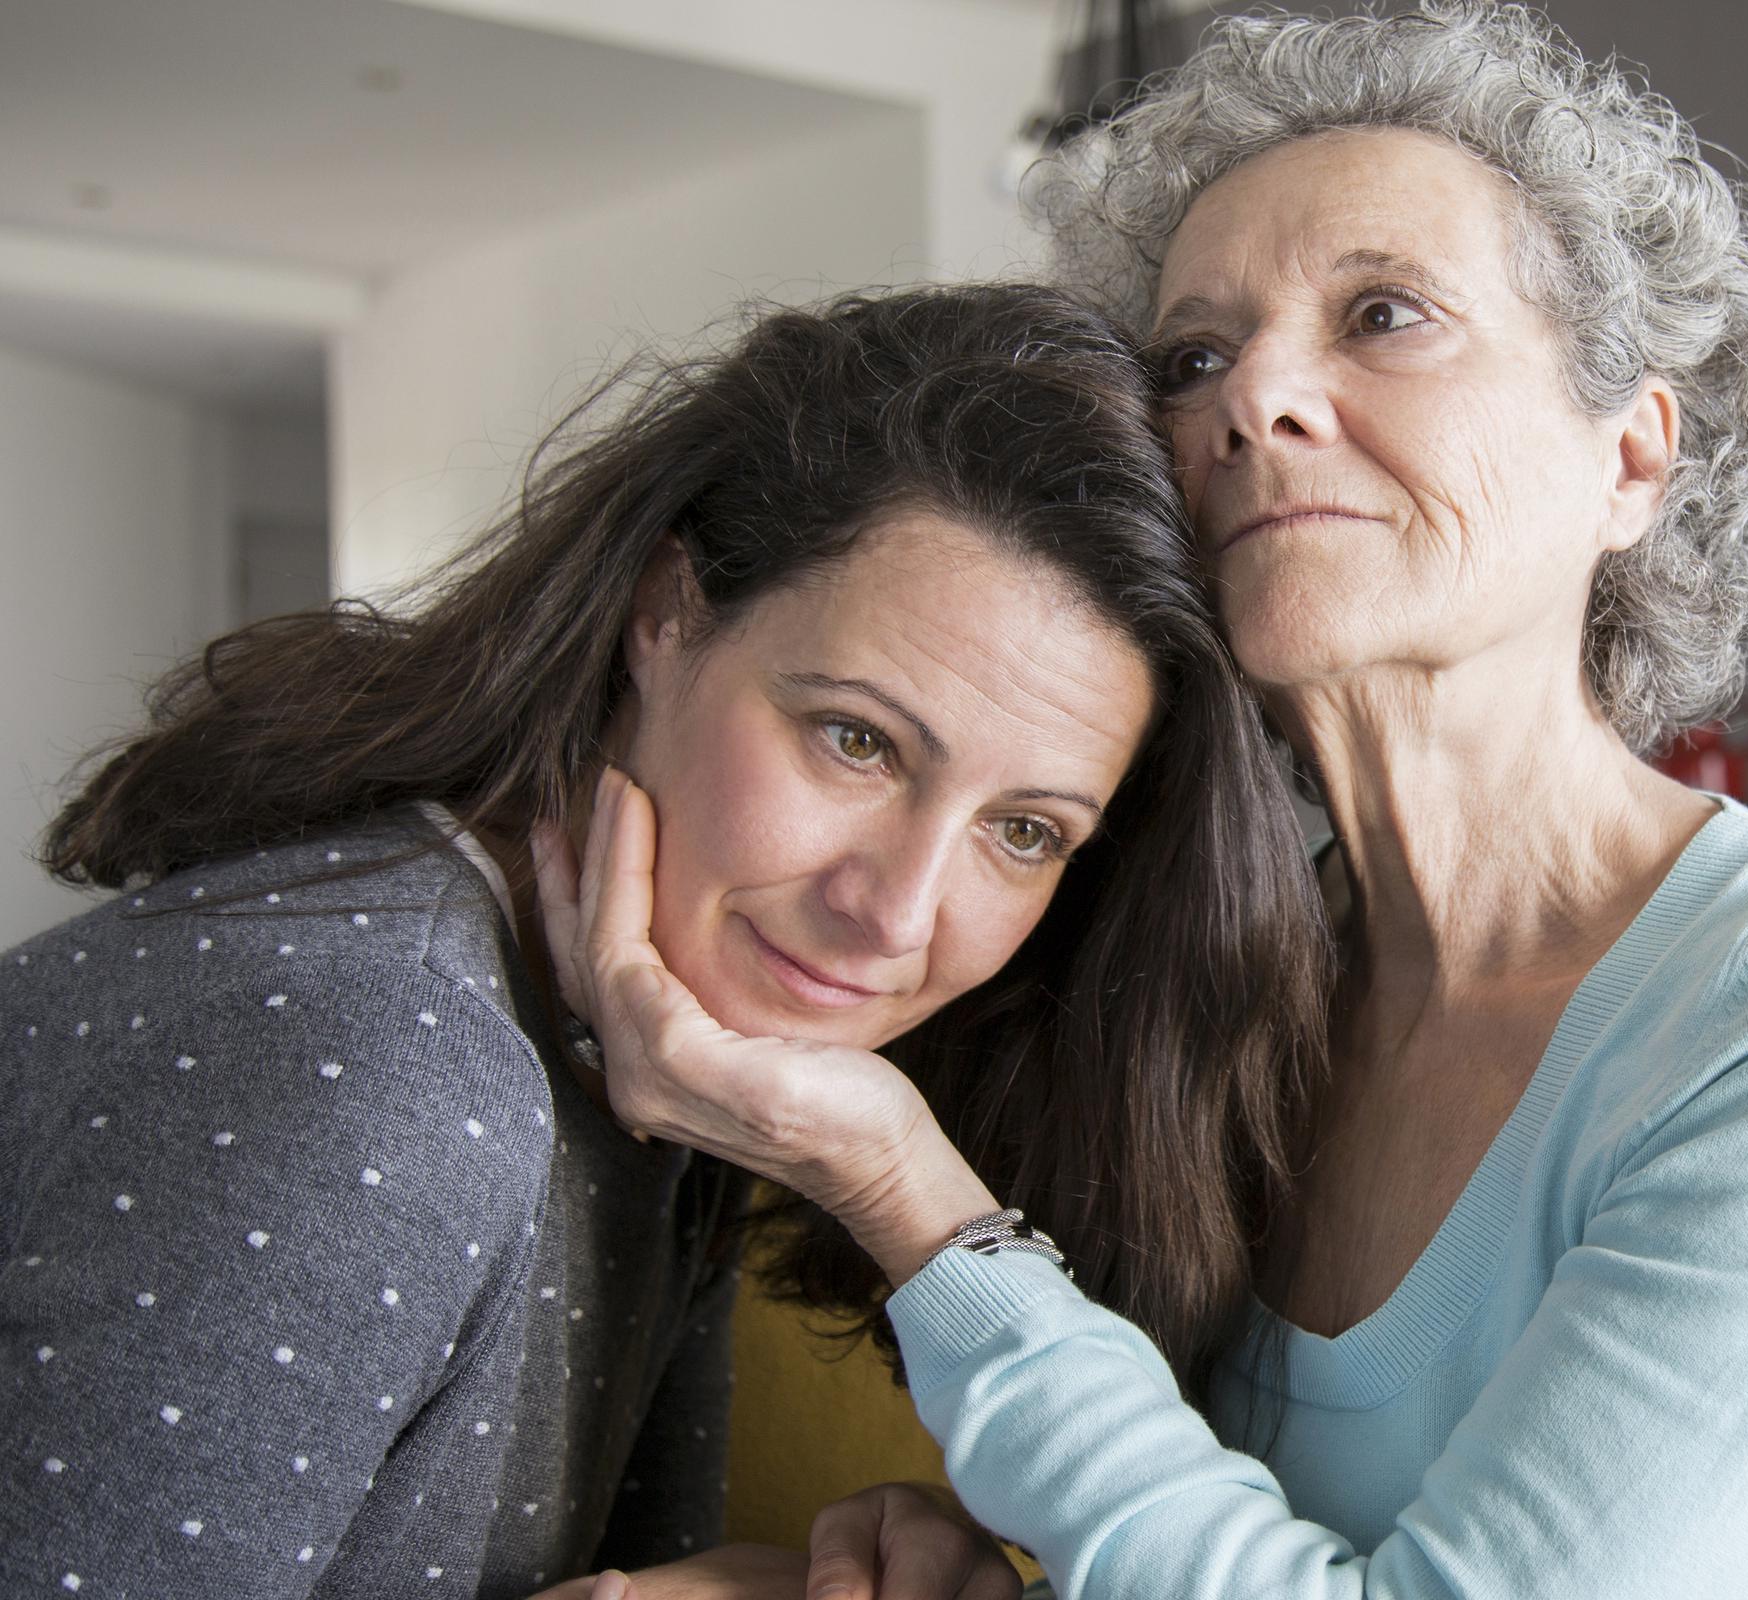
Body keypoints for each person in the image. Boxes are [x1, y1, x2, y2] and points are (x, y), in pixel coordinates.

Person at [561, 6, 1748, 1600]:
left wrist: (907, 1197)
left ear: (1632, 457)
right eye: (1192, 358)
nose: (1252, 400)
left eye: (1384, 314)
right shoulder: (1208, 961)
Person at [0, 285, 1328, 1599]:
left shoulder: (666, 1048)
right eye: (854, 740)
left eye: (1026, 832)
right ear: (664, 611)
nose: (899, 910)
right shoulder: (387, 1076)